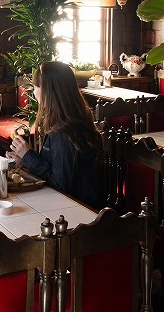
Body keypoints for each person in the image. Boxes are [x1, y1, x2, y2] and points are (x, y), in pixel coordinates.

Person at [9, 61, 104, 209]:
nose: (34, 92)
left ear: (50, 91)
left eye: (37, 87)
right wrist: (24, 160)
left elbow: (61, 185)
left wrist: (28, 155)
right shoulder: (69, 122)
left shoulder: (65, 132)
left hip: (79, 211)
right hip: (69, 206)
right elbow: (55, 168)